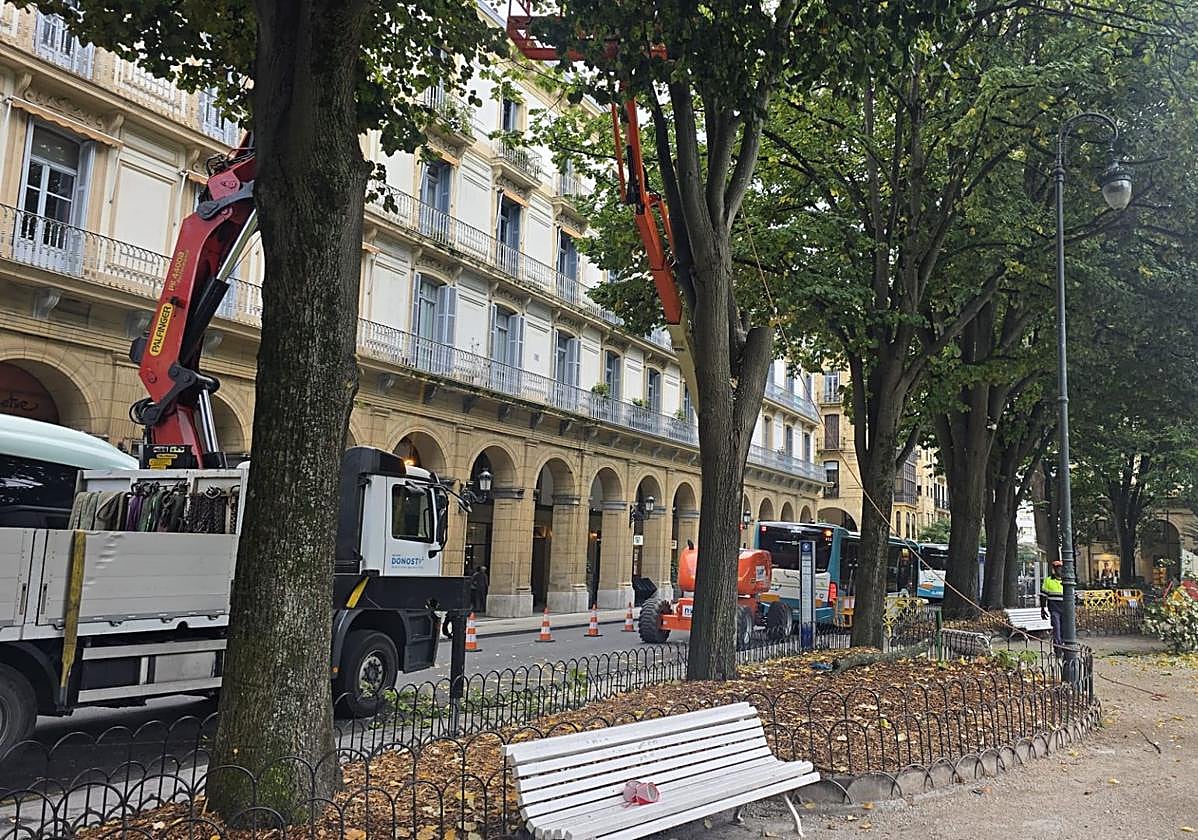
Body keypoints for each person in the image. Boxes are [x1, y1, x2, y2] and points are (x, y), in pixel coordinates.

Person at [1040, 559, 1065, 653]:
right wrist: (1042, 609)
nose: (1060, 570)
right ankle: (1058, 648)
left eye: (1061, 568)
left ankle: (1065, 646)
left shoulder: (1066, 581)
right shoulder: (1048, 581)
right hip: (1054, 609)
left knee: (1064, 629)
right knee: (1057, 628)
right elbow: (1043, 596)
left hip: (1065, 610)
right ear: (1054, 569)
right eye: (1058, 568)